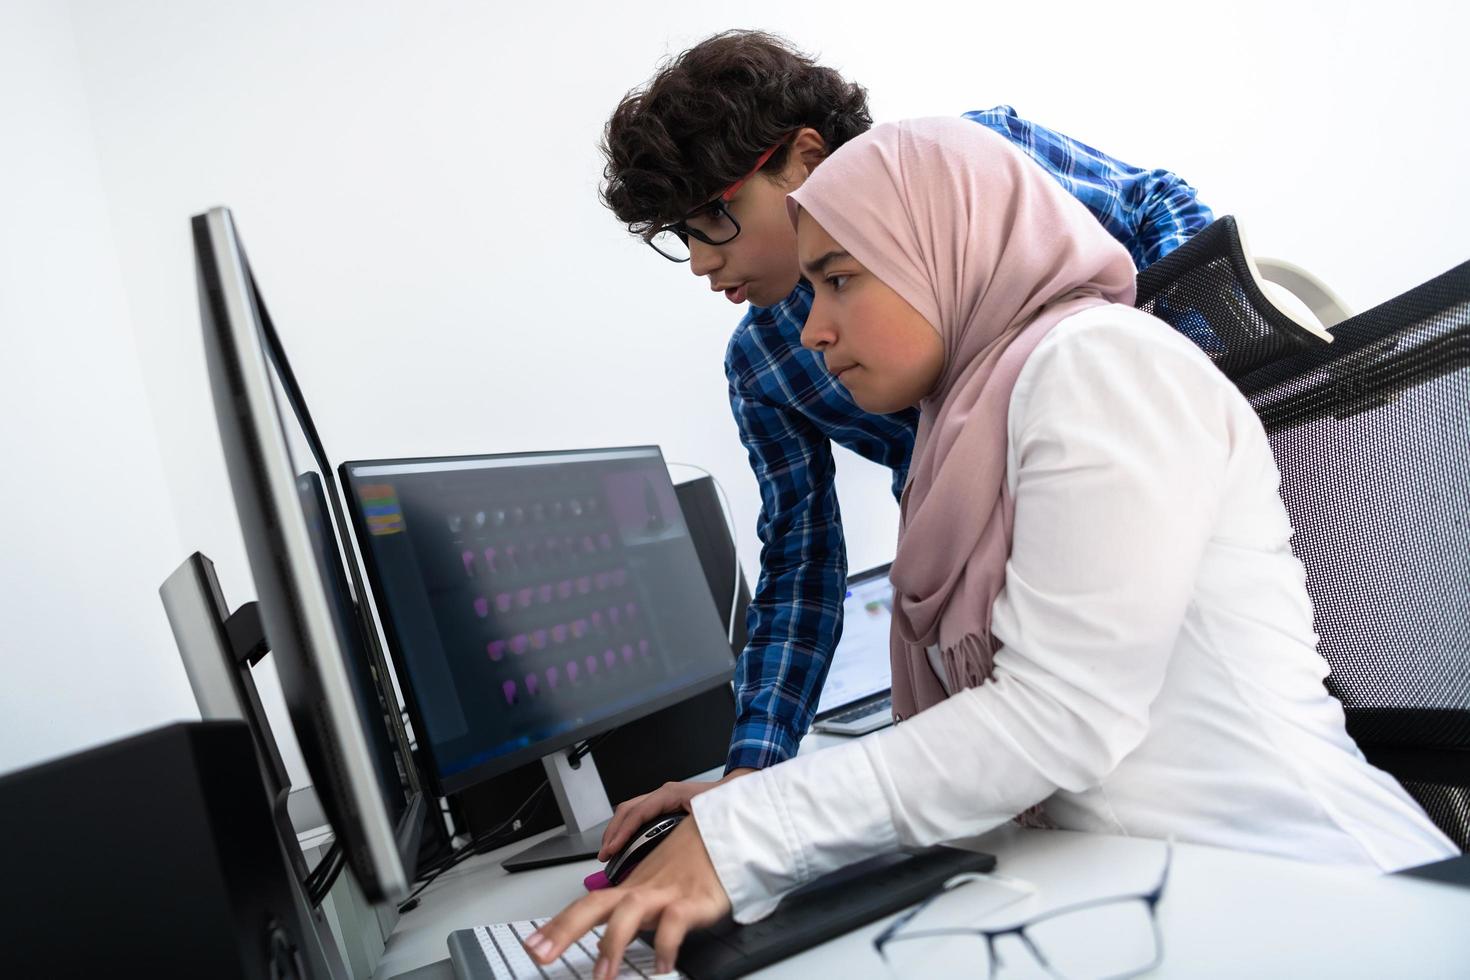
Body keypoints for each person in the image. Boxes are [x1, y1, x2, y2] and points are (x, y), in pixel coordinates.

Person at [525, 117, 1456, 977]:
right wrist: (746, 799)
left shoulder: (1102, 368)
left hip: (1320, 900)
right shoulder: (961, 434)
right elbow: (827, 593)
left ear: (946, 250)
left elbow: (1056, 717)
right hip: (1140, 887)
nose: (811, 329)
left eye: (841, 278)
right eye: (810, 287)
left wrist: (744, 835)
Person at [595, 29, 1218, 859]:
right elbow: (800, 561)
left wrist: (1177, 384)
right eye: (683, 234)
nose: (705, 263)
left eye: (717, 216)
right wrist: (754, 778)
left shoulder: (972, 174)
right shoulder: (766, 362)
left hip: (1149, 545)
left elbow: (1156, 205)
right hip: (994, 614)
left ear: (805, 159)